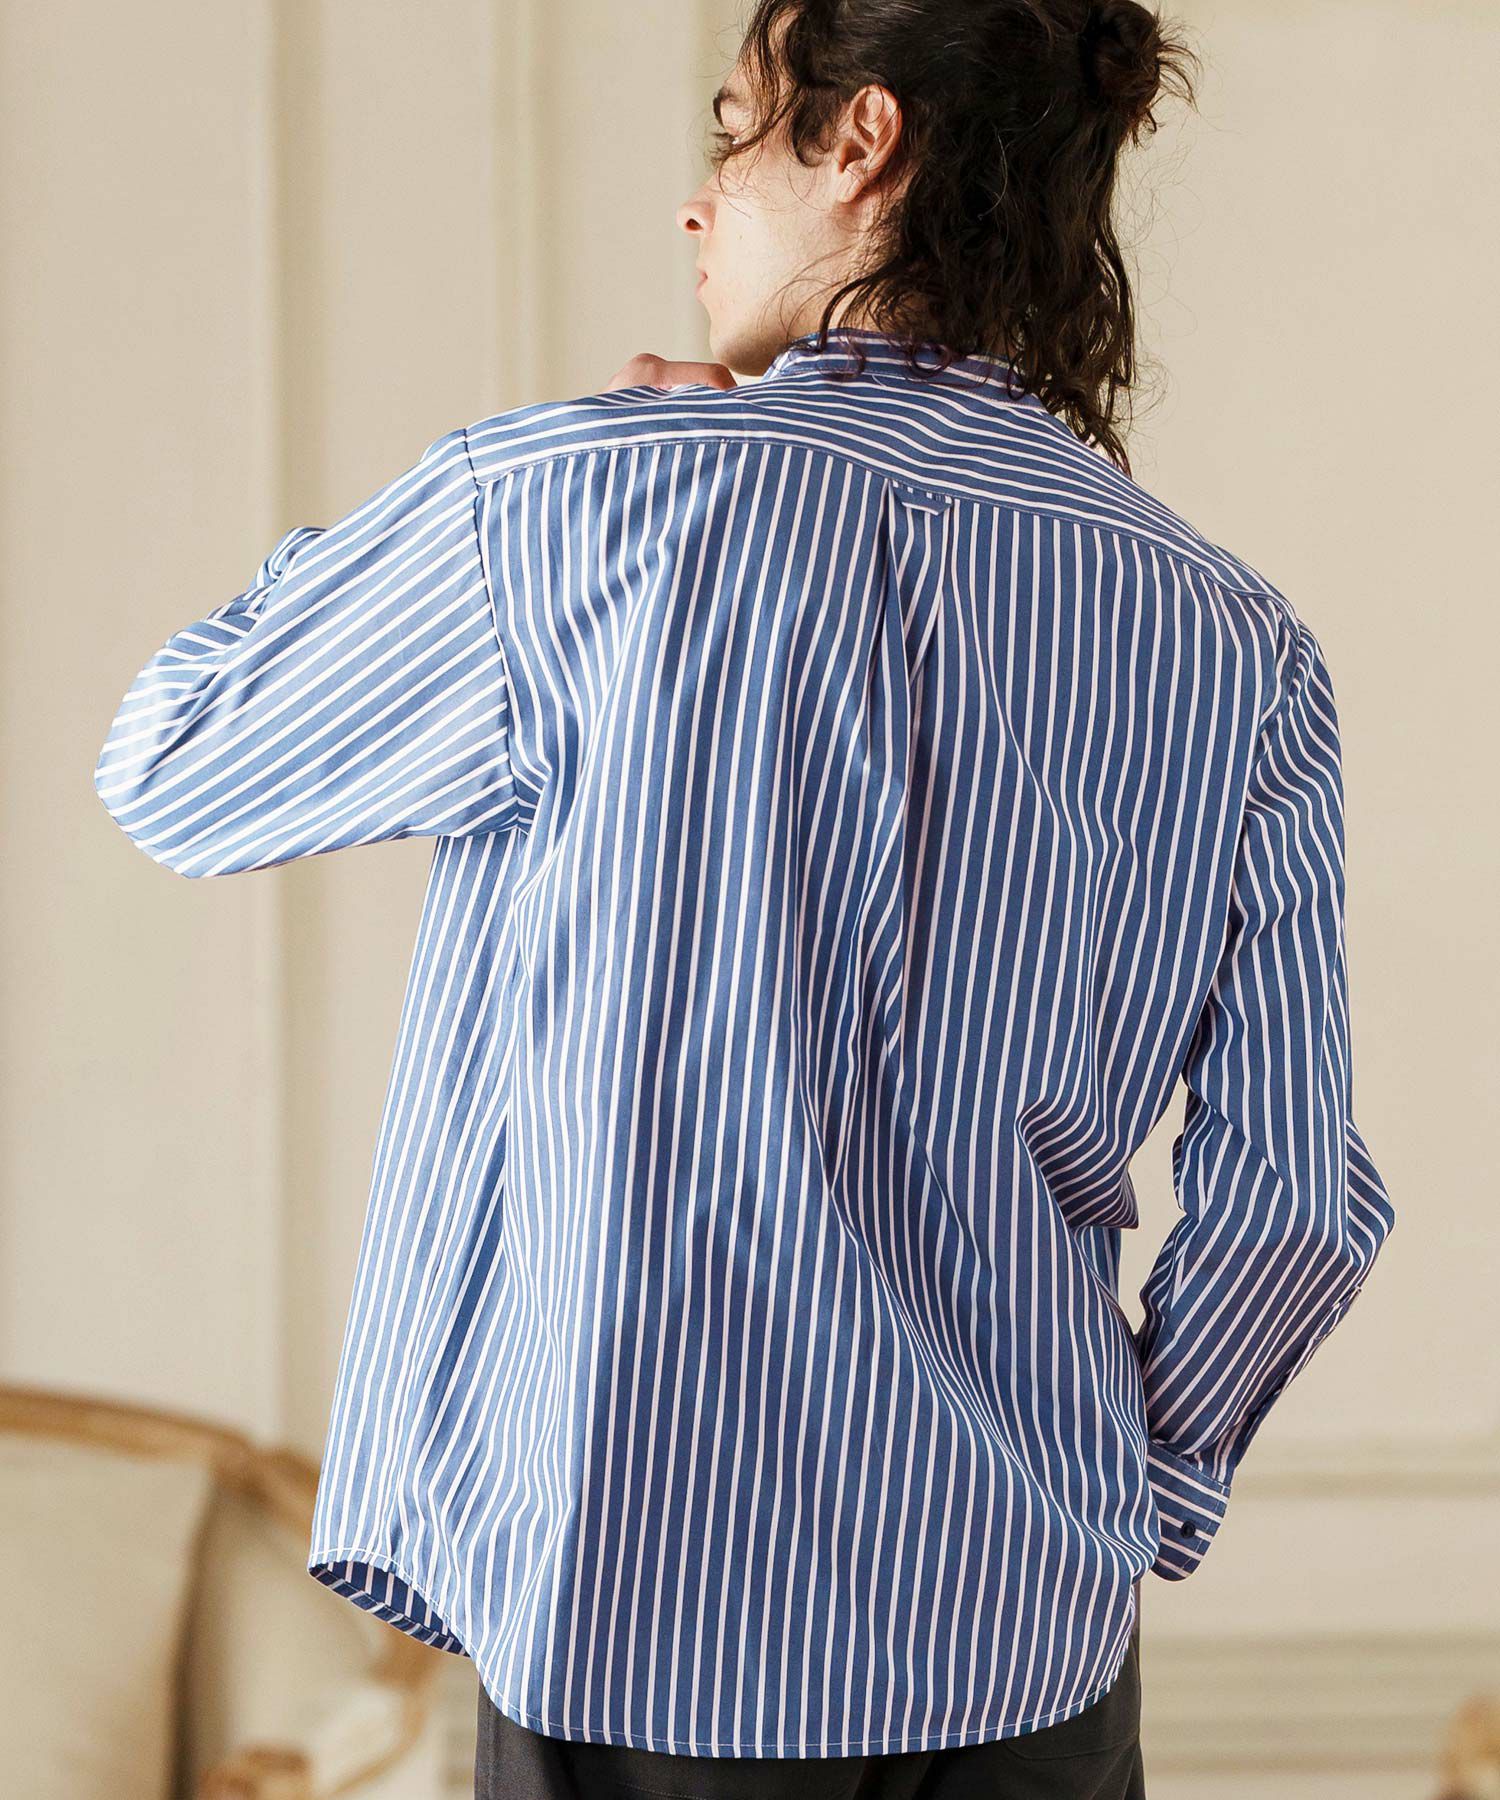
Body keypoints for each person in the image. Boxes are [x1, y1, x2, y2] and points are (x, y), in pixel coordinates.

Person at [92, 0, 1396, 1795]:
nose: (696, 203)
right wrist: (1127, 1492)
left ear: (862, 140)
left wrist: (529, 476)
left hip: (639, 1626)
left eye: (732, 128)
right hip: (1028, 1650)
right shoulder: (1235, 642)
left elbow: (178, 761)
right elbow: (1298, 1202)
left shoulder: (585, 508)